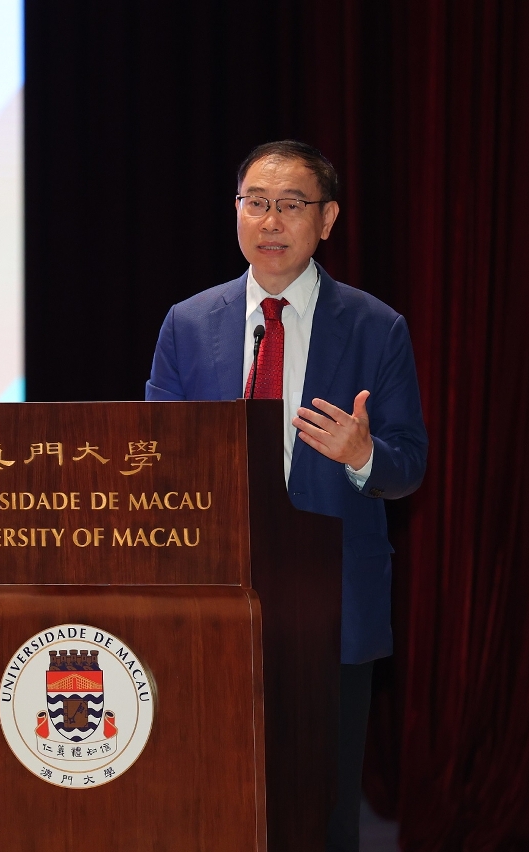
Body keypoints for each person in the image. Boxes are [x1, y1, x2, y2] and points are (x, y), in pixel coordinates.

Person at [144, 140, 428, 851]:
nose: (270, 222)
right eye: (256, 203)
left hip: (329, 604)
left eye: (291, 205)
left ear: (326, 219)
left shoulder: (375, 327)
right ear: (236, 212)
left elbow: (409, 465)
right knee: (211, 804)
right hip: (211, 602)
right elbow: (152, 457)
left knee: (320, 812)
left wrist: (363, 455)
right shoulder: (187, 324)